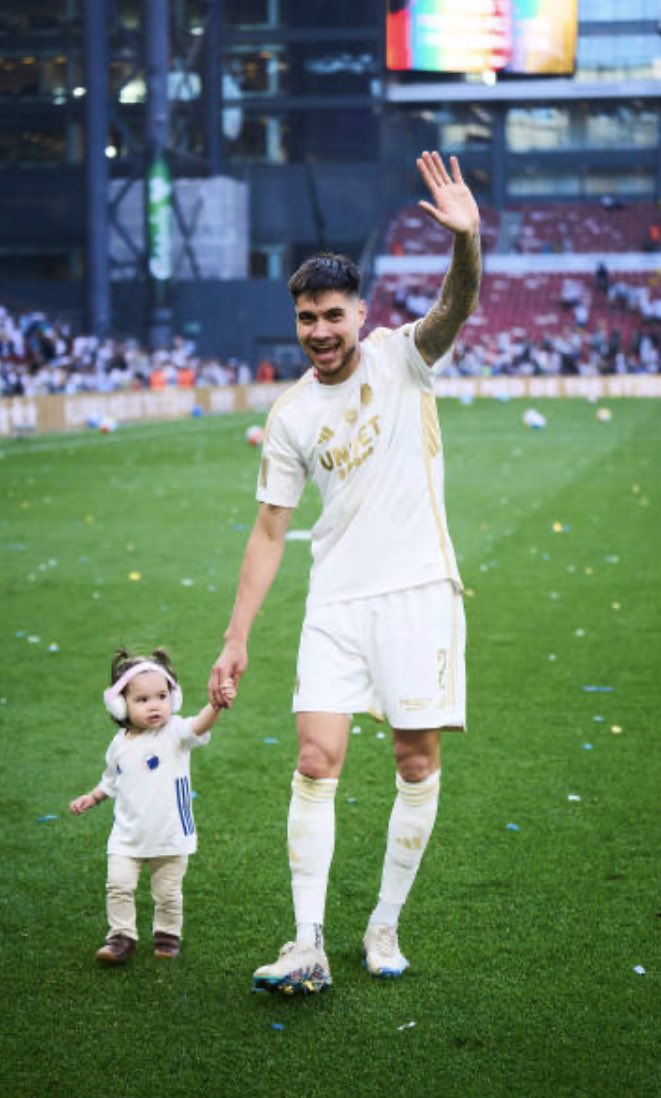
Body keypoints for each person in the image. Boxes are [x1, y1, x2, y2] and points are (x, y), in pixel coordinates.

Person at [209, 150, 482, 995]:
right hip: (334, 600)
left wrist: (465, 242)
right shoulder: (290, 413)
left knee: (413, 761)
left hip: (416, 594)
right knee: (316, 761)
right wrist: (235, 637)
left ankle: (383, 925)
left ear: (360, 312)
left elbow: (454, 303)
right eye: (304, 318)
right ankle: (306, 943)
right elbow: (267, 531)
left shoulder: (404, 356)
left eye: (332, 314)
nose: (318, 331)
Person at [70, 647, 235, 965]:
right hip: (127, 836)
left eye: (161, 696)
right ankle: (121, 937)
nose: (154, 705)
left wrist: (215, 706)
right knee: (118, 885)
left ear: (173, 697)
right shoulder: (119, 744)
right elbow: (111, 780)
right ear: (120, 706)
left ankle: (168, 933)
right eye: (142, 700)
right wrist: (92, 797)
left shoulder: (175, 732)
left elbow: (199, 725)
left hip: (171, 835)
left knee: (168, 892)